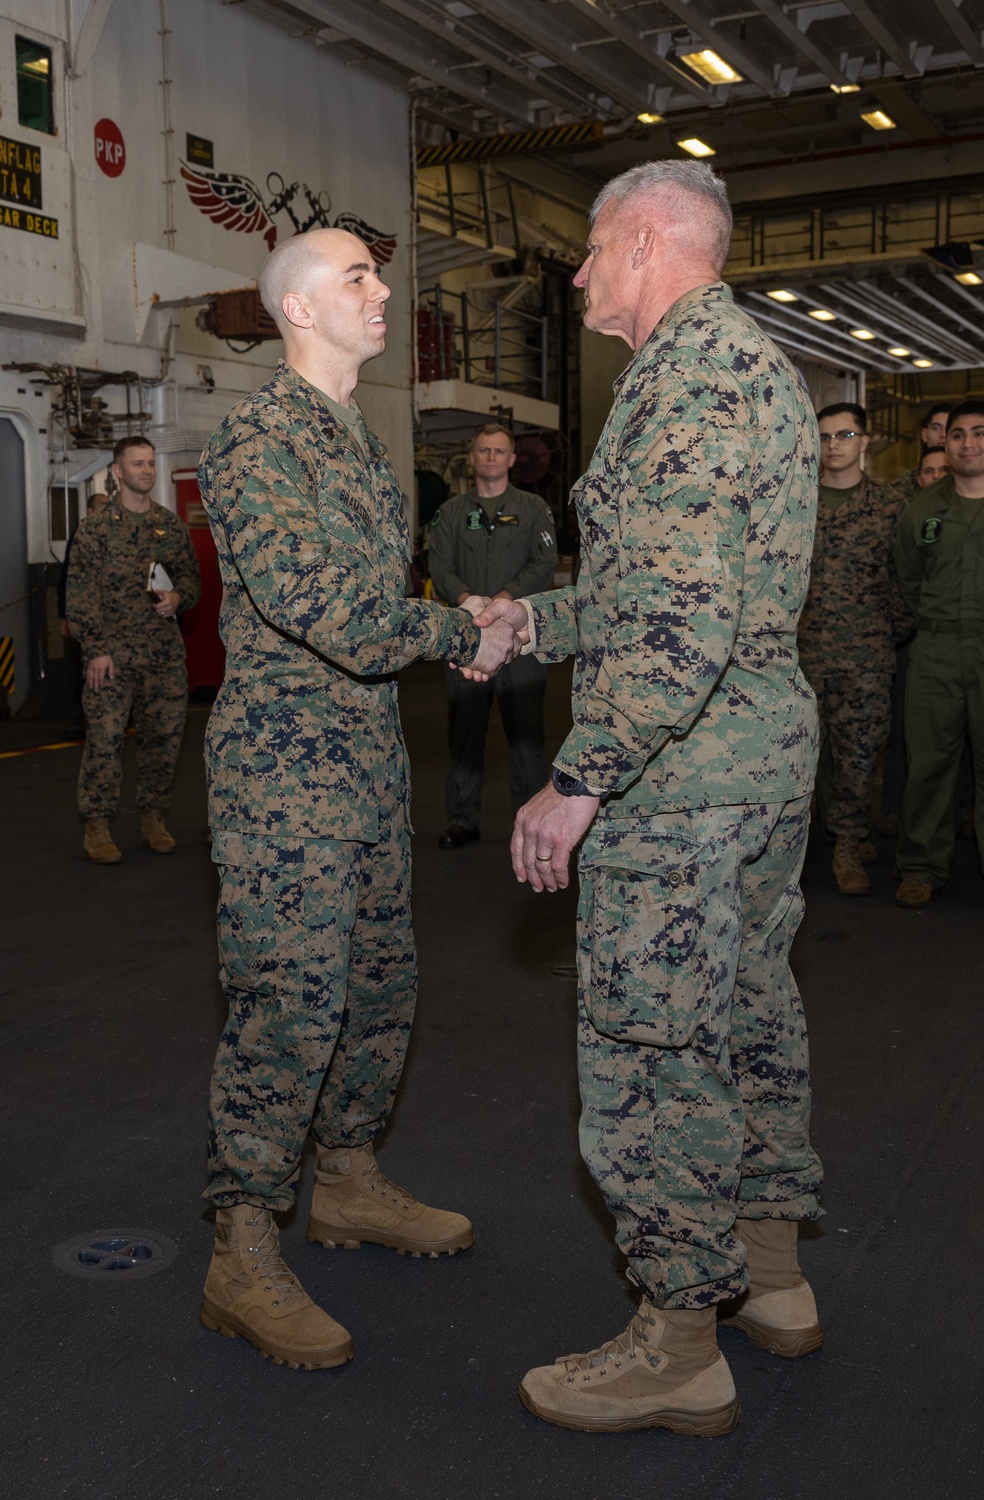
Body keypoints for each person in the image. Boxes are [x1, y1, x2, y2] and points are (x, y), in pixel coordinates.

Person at [472, 159, 823, 1436]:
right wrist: (534, 619)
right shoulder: (752, 366)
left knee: (653, 1048)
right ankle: (773, 1281)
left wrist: (577, 779)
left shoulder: (683, 378)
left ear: (646, 240)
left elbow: (673, 620)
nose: (575, 275)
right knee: (747, 1015)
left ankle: (680, 1341)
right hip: (756, 756)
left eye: (589, 251)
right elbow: (671, 590)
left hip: (679, 781)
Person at [197, 226, 519, 1371]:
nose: (382, 293)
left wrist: (451, 626)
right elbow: (316, 601)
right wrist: (459, 630)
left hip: (368, 760)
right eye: (358, 278)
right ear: (296, 308)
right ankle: (241, 1244)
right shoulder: (257, 439)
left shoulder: (362, 445)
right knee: (289, 999)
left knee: (381, 983)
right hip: (285, 769)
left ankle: (344, 1180)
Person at [66, 442, 200, 864]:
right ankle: (98, 827)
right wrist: (96, 649)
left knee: (163, 740)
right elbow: (80, 594)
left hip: (162, 655)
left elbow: (191, 580)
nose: (146, 470)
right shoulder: (96, 529)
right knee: (105, 743)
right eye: (137, 464)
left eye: (150, 463)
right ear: (119, 473)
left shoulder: (170, 526)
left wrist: (179, 597)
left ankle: (154, 819)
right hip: (112, 658)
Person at [797, 403, 909, 894]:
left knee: (860, 755)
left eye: (845, 434)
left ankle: (847, 843)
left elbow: (906, 586)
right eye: (824, 436)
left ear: (864, 442)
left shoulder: (891, 508)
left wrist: (881, 635)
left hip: (866, 659)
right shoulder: (795, 504)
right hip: (800, 657)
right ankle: (798, 846)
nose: (834, 444)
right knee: (800, 755)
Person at [428, 423, 557, 849]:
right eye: (484, 450)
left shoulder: (534, 508)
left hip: (521, 639)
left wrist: (505, 598)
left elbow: (544, 562)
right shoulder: (449, 513)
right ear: (472, 456)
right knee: (464, 734)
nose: (491, 458)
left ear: (513, 459)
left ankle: (531, 823)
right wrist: (470, 601)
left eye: (499, 451)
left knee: (526, 736)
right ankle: (462, 820)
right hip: (468, 640)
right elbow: (439, 567)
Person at [894, 400, 984, 907]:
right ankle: (920, 866)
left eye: (981, 433)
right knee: (929, 764)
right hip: (935, 651)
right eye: (958, 435)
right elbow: (909, 580)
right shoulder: (923, 511)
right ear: (945, 444)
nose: (968, 443)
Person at [879, 446, 950, 836]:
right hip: (915, 638)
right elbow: (904, 575)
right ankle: (906, 827)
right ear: (917, 476)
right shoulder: (909, 516)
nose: (936, 477)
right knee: (911, 739)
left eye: (944, 470)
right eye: (929, 470)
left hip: (974, 644)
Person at [58, 491, 109, 739]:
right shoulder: (81, 536)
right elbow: (66, 579)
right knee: (83, 668)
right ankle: (78, 720)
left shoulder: (112, 535)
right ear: (89, 510)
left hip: (108, 620)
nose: (105, 510)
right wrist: (65, 617)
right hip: (84, 617)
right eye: (100, 506)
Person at [896, 404, 951, 500]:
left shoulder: (974, 481)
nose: (943, 434)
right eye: (936, 428)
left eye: (949, 428)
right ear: (925, 435)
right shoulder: (899, 490)